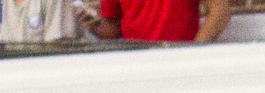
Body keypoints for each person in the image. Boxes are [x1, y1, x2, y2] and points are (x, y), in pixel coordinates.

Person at [87, 0, 230, 43]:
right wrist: (94, 25)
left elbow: (220, 12)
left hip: (179, 63)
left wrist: (192, 53)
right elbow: (114, 30)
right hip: (134, 65)